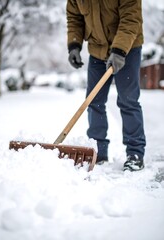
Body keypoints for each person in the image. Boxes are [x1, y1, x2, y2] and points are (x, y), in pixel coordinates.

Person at [66, 0, 146, 171]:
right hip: (97, 50)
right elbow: (75, 18)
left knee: (128, 101)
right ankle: (98, 152)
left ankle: (135, 153)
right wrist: (74, 44)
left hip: (128, 48)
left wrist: (119, 50)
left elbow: (131, 18)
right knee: (93, 101)